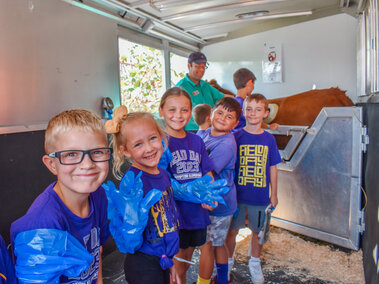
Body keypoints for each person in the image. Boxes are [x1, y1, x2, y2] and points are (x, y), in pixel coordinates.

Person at [11, 109, 111, 283]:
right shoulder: (43, 224)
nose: (87, 164)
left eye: (97, 152)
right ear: (52, 165)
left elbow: (98, 251)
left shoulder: (98, 194)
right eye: (71, 154)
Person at [109, 110, 181, 284]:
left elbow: (164, 220)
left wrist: (169, 260)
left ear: (161, 137)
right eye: (138, 144)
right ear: (125, 151)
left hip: (162, 258)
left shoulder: (163, 174)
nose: (149, 148)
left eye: (152, 138)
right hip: (143, 263)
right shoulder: (132, 182)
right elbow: (129, 239)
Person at [158, 87, 216, 284]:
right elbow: (158, 181)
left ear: (190, 112)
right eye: (171, 110)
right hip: (174, 217)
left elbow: (207, 172)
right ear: (161, 111)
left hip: (196, 213)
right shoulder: (158, 142)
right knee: (176, 270)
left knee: (186, 265)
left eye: (184, 110)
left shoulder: (196, 140)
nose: (178, 115)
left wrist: (210, 194)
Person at [225, 94, 282, 284]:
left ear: (265, 113)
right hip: (237, 196)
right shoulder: (235, 136)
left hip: (260, 196)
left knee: (258, 232)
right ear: (243, 112)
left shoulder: (269, 139)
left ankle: (255, 263)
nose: (253, 113)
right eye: (249, 109)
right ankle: (228, 261)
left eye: (258, 110)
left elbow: (273, 166)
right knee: (232, 231)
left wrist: (273, 194)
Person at [197, 97, 241, 284]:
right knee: (214, 243)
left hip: (220, 203)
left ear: (236, 123)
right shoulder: (204, 134)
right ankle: (221, 278)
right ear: (211, 113)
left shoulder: (227, 144)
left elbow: (207, 173)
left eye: (229, 116)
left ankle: (222, 279)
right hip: (208, 200)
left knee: (213, 244)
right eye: (220, 112)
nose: (223, 118)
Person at [175, 51, 227, 131]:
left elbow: (223, 98)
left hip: (210, 129)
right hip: (191, 131)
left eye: (203, 67)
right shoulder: (180, 87)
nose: (202, 70)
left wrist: (239, 99)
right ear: (189, 66)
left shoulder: (205, 85)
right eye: (198, 66)